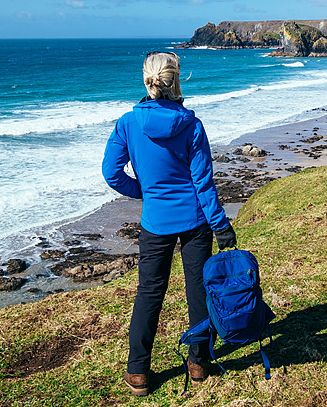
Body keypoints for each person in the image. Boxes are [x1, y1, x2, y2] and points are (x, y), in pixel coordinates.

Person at [102, 51, 236, 397]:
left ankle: (138, 372)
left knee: (149, 293)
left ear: (146, 80)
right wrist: (221, 225)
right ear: (176, 80)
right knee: (198, 291)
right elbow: (203, 183)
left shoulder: (128, 123)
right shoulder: (191, 125)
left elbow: (111, 173)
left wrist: (144, 191)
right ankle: (197, 362)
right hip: (195, 220)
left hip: (155, 222)